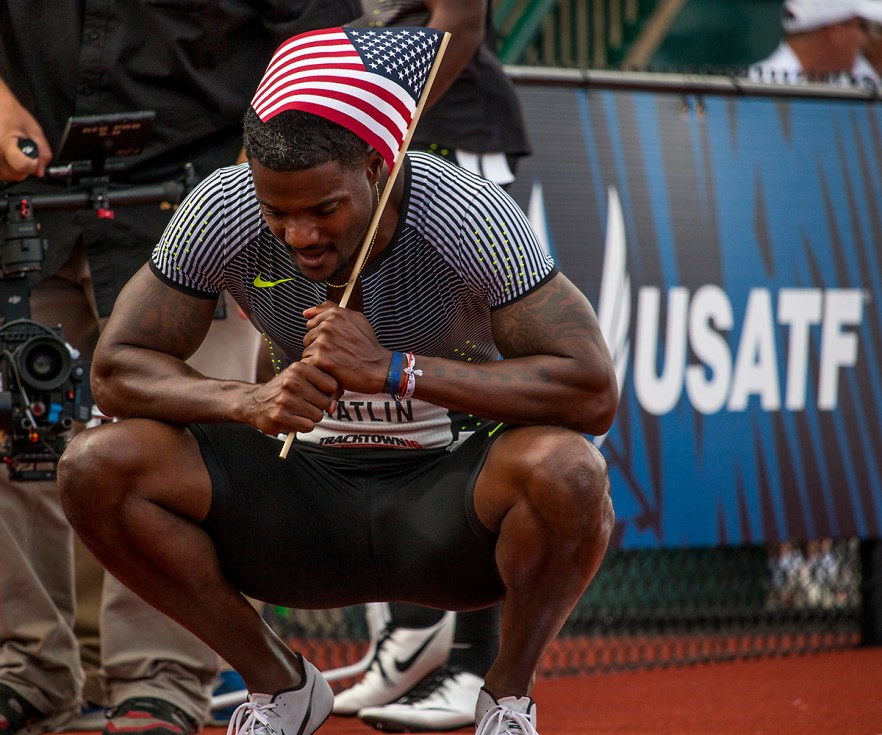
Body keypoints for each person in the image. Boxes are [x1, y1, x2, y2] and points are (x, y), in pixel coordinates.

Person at [55, 25, 617, 735]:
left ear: (380, 168)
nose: (299, 236)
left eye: (324, 208)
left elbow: (592, 389)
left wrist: (397, 370)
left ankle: (507, 696)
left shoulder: (467, 215)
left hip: (449, 507)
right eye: (276, 211)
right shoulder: (222, 207)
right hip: (300, 505)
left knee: (571, 471)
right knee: (96, 464)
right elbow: (115, 371)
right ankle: (281, 686)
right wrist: (248, 401)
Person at [0, 5, 358, 735]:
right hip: (26, 204)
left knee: (190, 449)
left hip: (196, 200)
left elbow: (328, 35)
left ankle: (160, 680)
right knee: (16, 441)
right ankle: (26, 670)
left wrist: (256, 183)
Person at [320, 2, 533, 732]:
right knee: (387, 389)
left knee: (469, 381)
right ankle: (414, 633)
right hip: (372, 143)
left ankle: (473, 661)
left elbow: (460, 23)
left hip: (443, 133)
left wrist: (372, 128)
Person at [748, 0, 882, 86]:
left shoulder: (862, 81)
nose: (864, 39)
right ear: (836, 31)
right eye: (862, 26)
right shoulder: (753, 87)